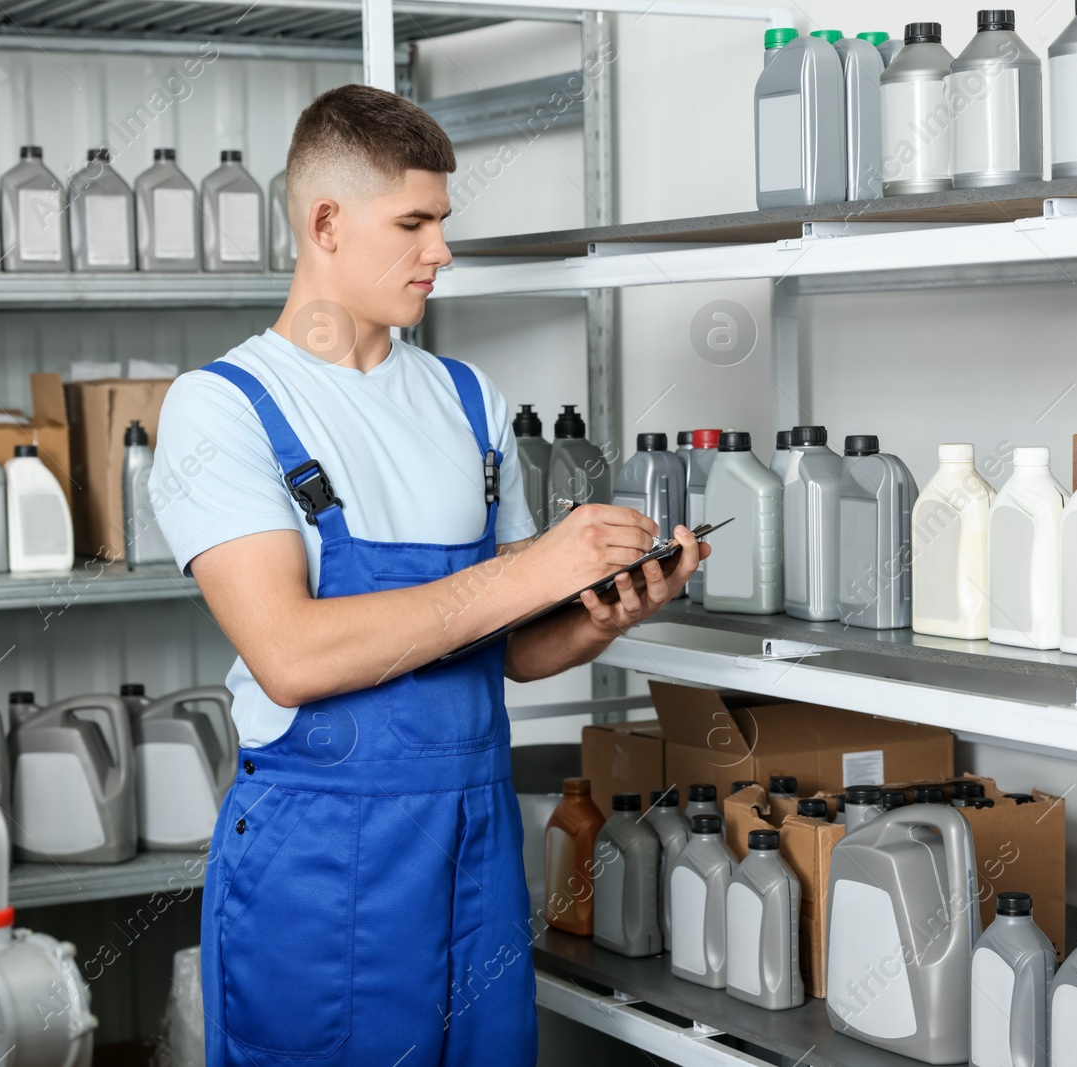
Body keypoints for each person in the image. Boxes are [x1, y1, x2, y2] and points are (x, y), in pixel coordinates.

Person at [151, 83, 706, 1067]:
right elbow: (289, 654)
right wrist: (537, 562)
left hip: (474, 835)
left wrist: (599, 611)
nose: (439, 250)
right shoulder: (224, 408)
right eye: (412, 223)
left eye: (442, 221)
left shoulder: (466, 398)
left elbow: (514, 651)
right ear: (324, 222)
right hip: (322, 850)